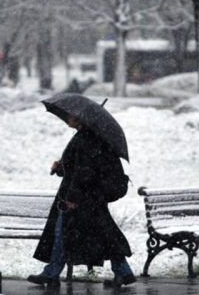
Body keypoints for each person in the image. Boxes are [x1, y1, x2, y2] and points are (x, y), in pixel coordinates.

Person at [28, 115, 136, 288]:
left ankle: (51, 273)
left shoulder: (87, 139)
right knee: (104, 235)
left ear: (81, 119)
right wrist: (60, 168)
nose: (67, 118)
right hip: (90, 198)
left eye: (71, 116)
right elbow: (77, 167)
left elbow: (84, 172)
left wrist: (72, 198)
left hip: (81, 199)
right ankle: (123, 272)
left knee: (63, 233)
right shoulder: (86, 137)